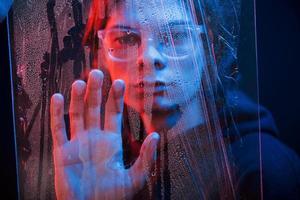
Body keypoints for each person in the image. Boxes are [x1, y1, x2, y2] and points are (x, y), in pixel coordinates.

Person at [50, 0, 300, 199]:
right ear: (101, 55)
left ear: (209, 47)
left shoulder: (261, 171)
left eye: (176, 36)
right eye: (125, 39)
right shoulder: (106, 162)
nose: (148, 59)